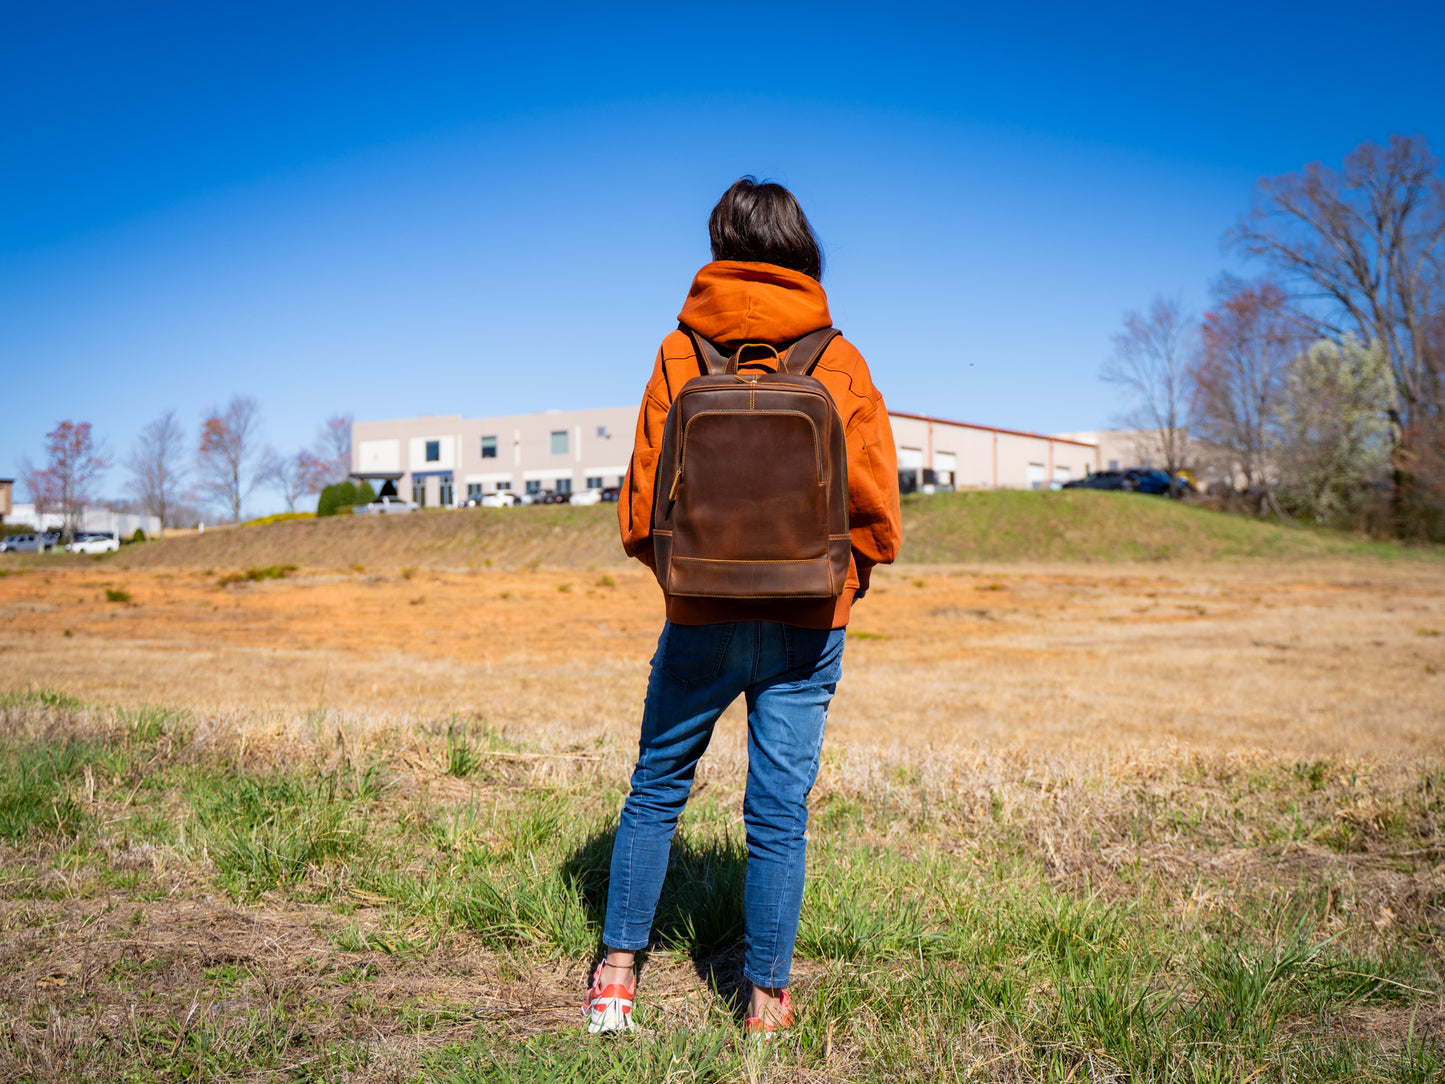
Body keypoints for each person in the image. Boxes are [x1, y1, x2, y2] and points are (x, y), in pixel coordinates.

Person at [585, 177, 902, 1036]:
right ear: (803, 250)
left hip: (698, 614)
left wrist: (684, 583)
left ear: (720, 244)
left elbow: (644, 502)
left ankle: (616, 977)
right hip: (809, 621)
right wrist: (840, 588)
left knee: (655, 788)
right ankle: (766, 1000)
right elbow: (876, 509)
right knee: (777, 811)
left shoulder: (679, 350)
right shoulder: (837, 357)